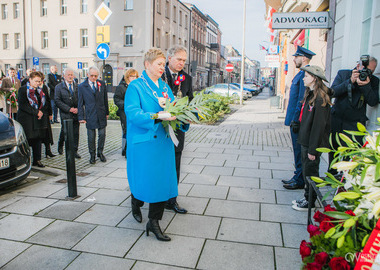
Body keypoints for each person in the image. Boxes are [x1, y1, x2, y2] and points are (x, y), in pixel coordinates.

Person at [125, 48, 178, 241]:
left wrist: (183, 113)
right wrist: (156, 116)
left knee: (161, 182)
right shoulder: (136, 87)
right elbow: (132, 113)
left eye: (163, 64)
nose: (162, 68)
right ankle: (135, 202)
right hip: (145, 143)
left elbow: (173, 107)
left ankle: (153, 222)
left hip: (162, 143)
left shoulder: (164, 86)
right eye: (159, 64)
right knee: (143, 180)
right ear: (147, 65)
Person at [292, 66, 332, 211]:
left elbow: (318, 127)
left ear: (314, 78)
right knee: (306, 171)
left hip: (312, 144)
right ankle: (307, 195)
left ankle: (310, 201)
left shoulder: (320, 98)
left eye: (306, 76)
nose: (304, 78)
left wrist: (313, 150)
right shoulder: (311, 94)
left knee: (311, 172)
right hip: (305, 140)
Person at [329, 56, 379, 174]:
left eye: (371, 71)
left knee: (351, 152)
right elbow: (333, 92)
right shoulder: (344, 74)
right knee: (333, 148)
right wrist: (350, 81)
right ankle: (331, 173)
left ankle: (345, 178)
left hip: (355, 123)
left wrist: (365, 86)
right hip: (337, 119)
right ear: (358, 66)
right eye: (364, 69)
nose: (367, 73)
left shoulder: (374, 81)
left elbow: (373, 102)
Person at [161, 45, 193, 214]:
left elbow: (190, 100)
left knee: (175, 163)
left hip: (178, 129)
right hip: (160, 129)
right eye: (179, 59)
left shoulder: (186, 78)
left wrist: (190, 114)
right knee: (159, 163)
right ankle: (156, 197)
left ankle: (172, 200)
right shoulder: (159, 75)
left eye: (184, 61)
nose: (182, 63)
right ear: (169, 58)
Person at [282, 46, 315, 190]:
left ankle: (300, 180)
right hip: (294, 119)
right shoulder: (300, 74)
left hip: (298, 121)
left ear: (304, 58)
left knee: (299, 150)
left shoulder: (305, 75)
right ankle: (297, 176)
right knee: (296, 150)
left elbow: (302, 100)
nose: (294, 59)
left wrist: (296, 120)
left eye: (297, 56)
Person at [17, 71, 50, 167]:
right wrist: (36, 112)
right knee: (27, 140)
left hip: (38, 120)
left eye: (39, 81)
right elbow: (23, 105)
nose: (38, 83)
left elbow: (44, 103)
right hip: (27, 120)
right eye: (36, 81)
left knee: (38, 139)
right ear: (30, 79)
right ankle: (26, 161)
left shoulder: (40, 91)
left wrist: (41, 112)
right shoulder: (23, 90)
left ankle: (37, 160)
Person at [78, 66, 109, 164]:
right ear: (87, 75)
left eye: (96, 76)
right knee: (91, 137)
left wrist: (107, 112)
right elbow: (80, 103)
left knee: (102, 134)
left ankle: (100, 152)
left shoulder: (102, 84)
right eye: (92, 76)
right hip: (90, 114)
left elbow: (105, 100)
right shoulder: (82, 86)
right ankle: (92, 155)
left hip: (101, 113)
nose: (94, 78)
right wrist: (81, 117)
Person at [55, 68, 81, 159]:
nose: (70, 76)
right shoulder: (59, 87)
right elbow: (57, 101)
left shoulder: (77, 86)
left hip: (76, 113)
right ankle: (61, 145)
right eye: (68, 75)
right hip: (66, 113)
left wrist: (78, 109)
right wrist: (69, 109)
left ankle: (75, 151)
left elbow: (81, 99)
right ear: (64, 76)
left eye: (71, 75)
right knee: (65, 131)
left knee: (76, 133)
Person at [114, 68, 139, 157]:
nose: (134, 78)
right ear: (127, 77)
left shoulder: (137, 86)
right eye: (132, 76)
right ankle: (126, 151)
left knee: (133, 130)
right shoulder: (121, 87)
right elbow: (116, 99)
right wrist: (127, 105)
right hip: (124, 112)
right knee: (127, 130)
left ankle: (127, 150)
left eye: (135, 76)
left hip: (135, 113)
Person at [38, 73, 55, 158]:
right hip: (38, 115)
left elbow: (47, 100)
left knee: (47, 134)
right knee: (40, 135)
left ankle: (48, 151)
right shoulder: (34, 88)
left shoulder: (44, 87)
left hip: (45, 113)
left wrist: (50, 113)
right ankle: (38, 155)